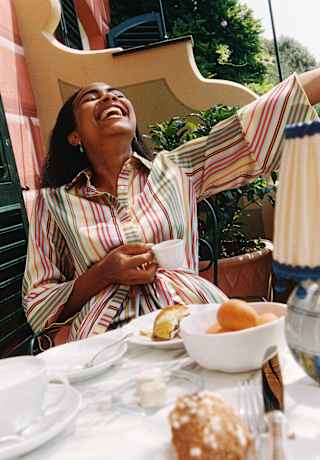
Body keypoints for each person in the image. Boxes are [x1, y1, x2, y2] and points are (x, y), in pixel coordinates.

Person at [23, 69, 320, 344]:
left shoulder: (178, 169)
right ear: (74, 136)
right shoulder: (53, 203)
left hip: (194, 319)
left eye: (117, 93)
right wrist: (102, 273)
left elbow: (249, 132)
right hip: (109, 340)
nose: (109, 97)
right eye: (91, 97)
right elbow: (38, 304)